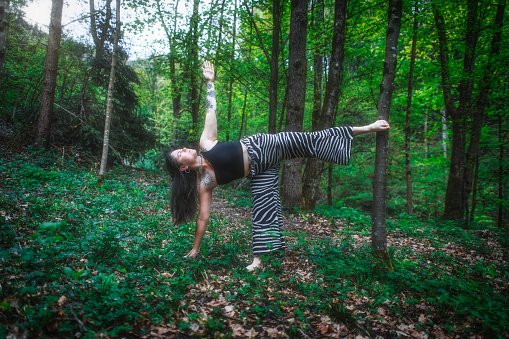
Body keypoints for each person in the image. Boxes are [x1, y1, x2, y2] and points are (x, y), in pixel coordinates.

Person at [165, 61, 390, 271]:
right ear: (183, 168)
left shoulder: (206, 142)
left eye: (181, 148)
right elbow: (203, 217)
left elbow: (210, 110)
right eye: (179, 154)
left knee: (310, 141)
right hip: (258, 172)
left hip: (264, 146)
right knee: (264, 209)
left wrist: (210, 82)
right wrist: (194, 250)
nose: (184, 149)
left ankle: (369, 127)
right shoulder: (205, 183)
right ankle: (258, 260)